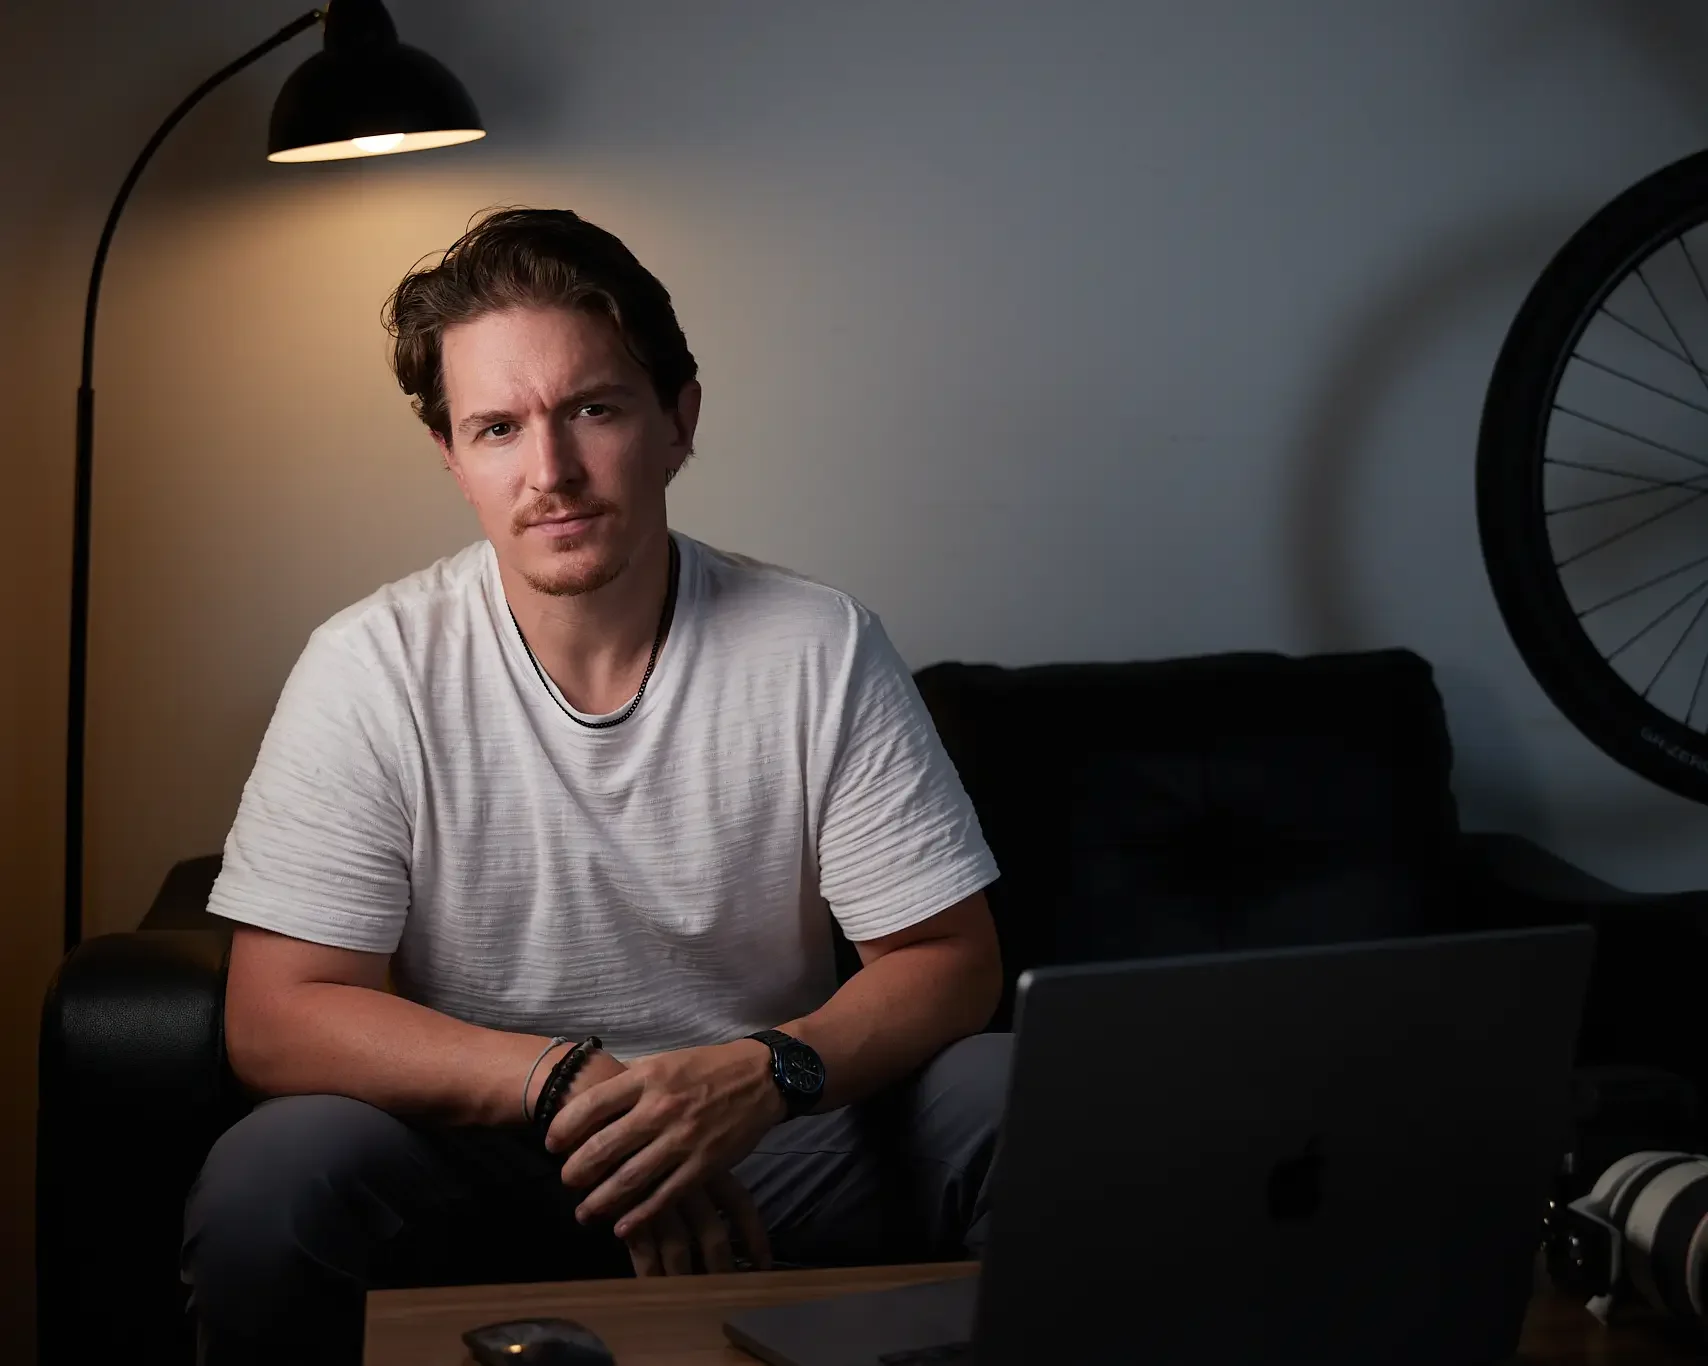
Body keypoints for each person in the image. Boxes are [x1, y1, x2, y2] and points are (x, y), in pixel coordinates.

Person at [179, 206, 1010, 1366]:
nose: (551, 472)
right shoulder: (370, 666)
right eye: (499, 428)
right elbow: (275, 1013)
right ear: (454, 461)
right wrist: (559, 1079)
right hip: (481, 1152)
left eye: (593, 409)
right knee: (273, 1174)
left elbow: (950, 959)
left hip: (765, 1142)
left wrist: (762, 1073)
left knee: (1010, 1098)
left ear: (679, 421)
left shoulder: (816, 644)